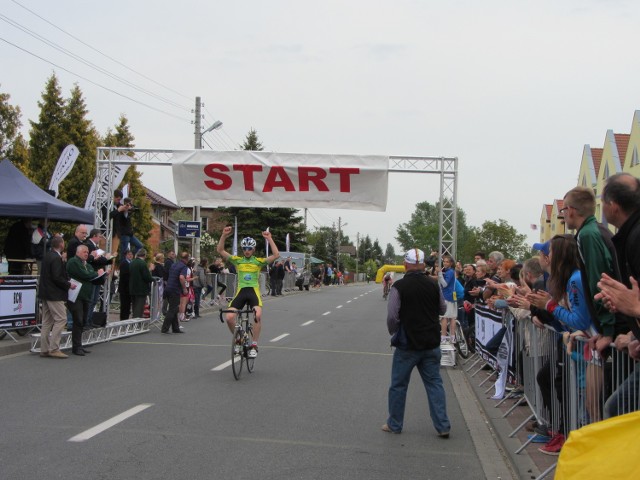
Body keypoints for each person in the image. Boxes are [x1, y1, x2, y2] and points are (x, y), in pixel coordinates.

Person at [382, 247, 450, 437]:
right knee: (435, 384)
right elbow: (443, 309)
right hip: (431, 342)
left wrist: (394, 333)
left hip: (407, 344)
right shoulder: (433, 284)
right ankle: (443, 425)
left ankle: (394, 424)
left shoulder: (399, 286)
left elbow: (392, 316)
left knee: (398, 385)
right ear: (422, 266)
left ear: (405, 265)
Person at [217, 226, 279, 358]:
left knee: (257, 315)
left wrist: (269, 239)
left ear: (253, 249)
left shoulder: (258, 261)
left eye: (249, 248)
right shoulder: (237, 260)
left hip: (253, 293)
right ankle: (240, 337)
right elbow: (220, 250)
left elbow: (276, 255)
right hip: (240, 292)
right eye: (244, 248)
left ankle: (254, 345)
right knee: (229, 317)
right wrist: (223, 235)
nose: (247, 251)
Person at [38, 236, 76, 359]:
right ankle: (54, 348)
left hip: (45, 293)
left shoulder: (48, 255)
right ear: (61, 245)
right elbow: (57, 277)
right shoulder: (56, 258)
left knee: (47, 321)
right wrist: (68, 284)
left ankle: (44, 348)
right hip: (54, 294)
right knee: (61, 319)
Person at [66, 245, 103, 356]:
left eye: (87, 252)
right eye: (84, 252)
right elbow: (85, 275)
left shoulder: (87, 264)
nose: (86, 254)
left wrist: (102, 276)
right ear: (78, 252)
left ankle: (79, 345)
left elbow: (92, 276)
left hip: (85, 296)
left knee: (82, 321)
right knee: (78, 320)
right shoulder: (73, 262)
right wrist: (97, 273)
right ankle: (76, 347)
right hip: (76, 296)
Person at [161, 252, 189, 334]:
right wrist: (184, 289)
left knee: (175, 309)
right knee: (172, 309)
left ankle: (175, 328)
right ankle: (164, 328)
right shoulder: (184, 266)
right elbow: (181, 277)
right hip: (175, 290)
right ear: (186, 259)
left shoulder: (174, 264)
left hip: (168, 288)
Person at [111, 190, 143, 255]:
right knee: (124, 252)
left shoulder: (126, 210)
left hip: (130, 234)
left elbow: (134, 210)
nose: (130, 206)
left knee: (140, 245)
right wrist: (125, 209)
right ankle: (125, 261)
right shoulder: (121, 209)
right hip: (124, 234)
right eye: (130, 204)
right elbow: (123, 216)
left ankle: (129, 255)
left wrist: (130, 210)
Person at [437, 254, 457, 343]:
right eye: (444, 261)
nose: (445, 263)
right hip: (452, 295)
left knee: (444, 317)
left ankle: (443, 337)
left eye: (447, 262)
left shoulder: (449, 272)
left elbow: (445, 284)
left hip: (447, 296)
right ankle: (453, 337)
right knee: (452, 317)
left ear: (451, 263)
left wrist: (439, 274)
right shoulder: (450, 271)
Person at [129, 248, 154, 318]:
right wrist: (153, 279)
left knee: (134, 307)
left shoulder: (132, 262)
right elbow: (147, 277)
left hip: (132, 288)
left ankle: (133, 323)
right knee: (139, 308)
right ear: (144, 255)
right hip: (141, 289)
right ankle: (136, 325)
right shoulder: (142, 263)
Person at [118, 250, 133, 320]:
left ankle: (126, 318)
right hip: (124, 288)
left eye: (131, 254)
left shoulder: (131, 263)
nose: (130, 256)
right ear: (126, 255)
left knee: (127, 305)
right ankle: (123, 319)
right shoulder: (124, 263)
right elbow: (124, 276)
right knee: (124, 305)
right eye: (129, 254)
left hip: (129, 288)